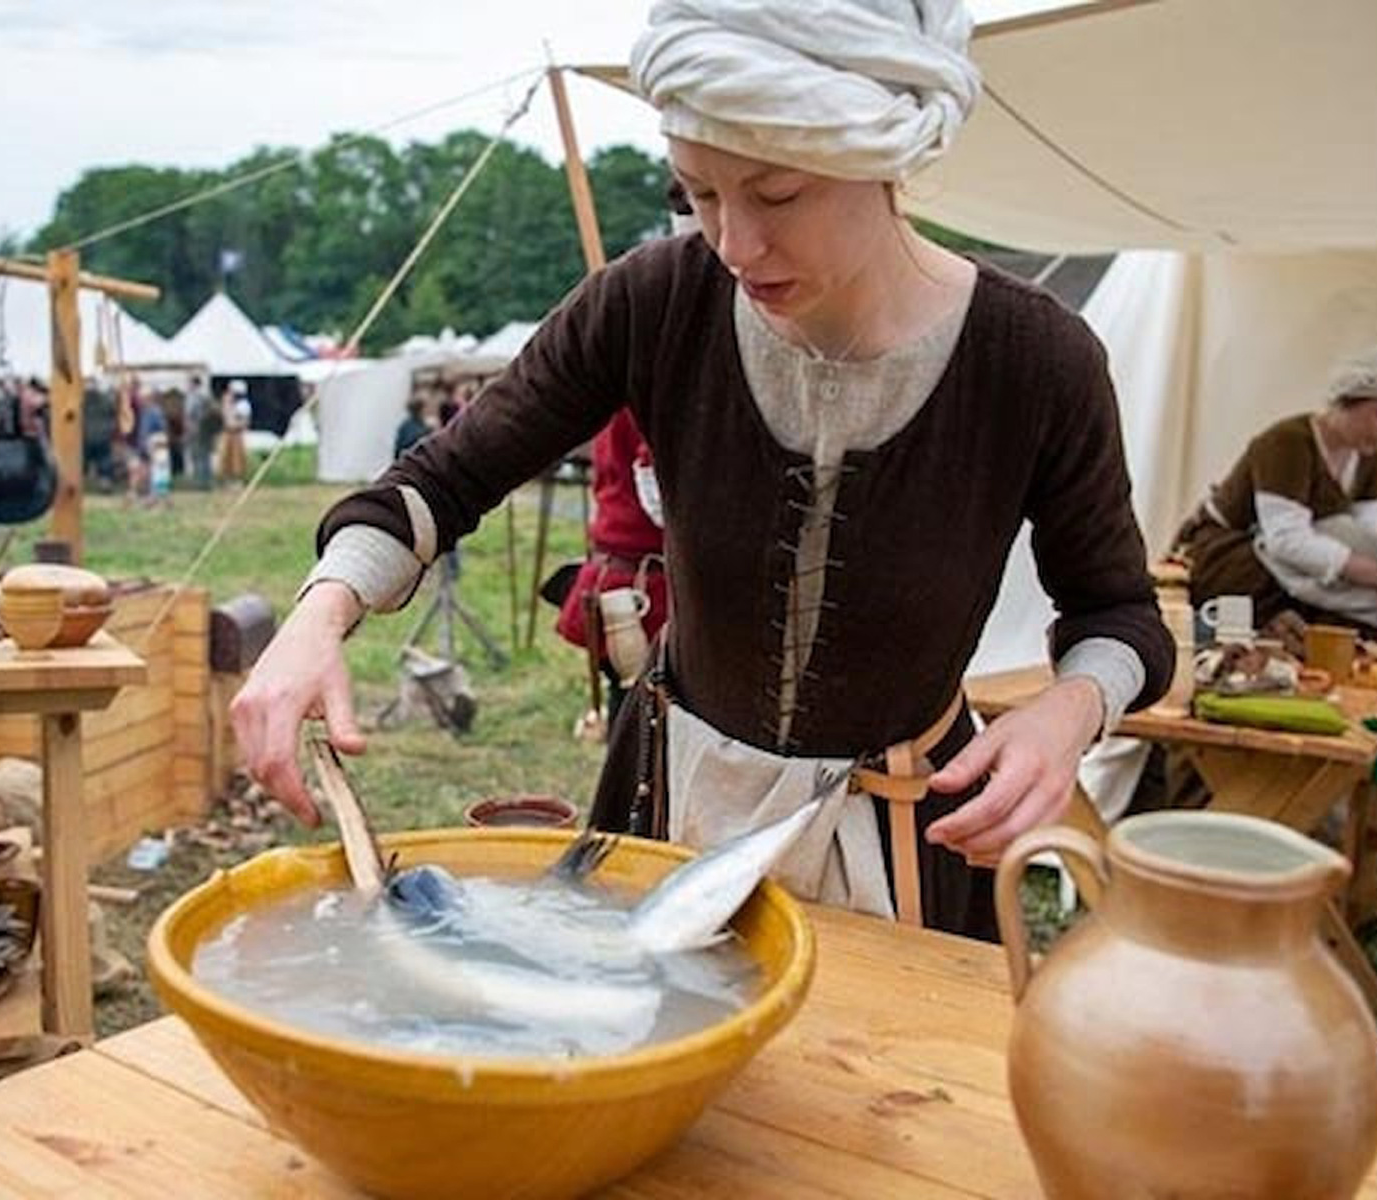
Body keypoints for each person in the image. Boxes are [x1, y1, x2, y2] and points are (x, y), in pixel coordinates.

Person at [230, 0, 1172, 940]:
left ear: (883, 156)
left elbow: (1118, 613)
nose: (735, 244)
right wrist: (318, 615)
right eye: (699, 194)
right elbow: (438, 486)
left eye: (777, 195)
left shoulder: (1035, 360)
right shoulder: (652, 303)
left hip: (904, 850)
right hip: (673, 819)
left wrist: (1070, 710)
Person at [1181, 355, 1377, 629]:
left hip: (1295, 564)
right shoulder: (1287, 443)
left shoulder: (1366, 453)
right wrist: (1369, 573)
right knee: (1329, 605)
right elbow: (1285, 539)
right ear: (1346, 401)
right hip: (1233, 559)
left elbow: (1369, 525)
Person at [554, 409, 670, 724]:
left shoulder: (619, 399)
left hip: (621, 579)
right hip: (641, 592)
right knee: (645, 723)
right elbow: (661, 499)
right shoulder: (648, 397)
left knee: (634, 711)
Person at [183, 374, 219, 490]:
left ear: (194, 384)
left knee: (202, 456)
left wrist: (200, 424)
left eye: (189, 383)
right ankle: (200, 481)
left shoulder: (202, 397)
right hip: (193, 431)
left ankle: (204, 482)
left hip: (201, 431)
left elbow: (208, 413)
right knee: (196, 456)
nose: (187, 385)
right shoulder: (192, 396)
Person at [218, 381, 250, 485]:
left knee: (236, 458)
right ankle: (227, 479)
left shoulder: (243, 405)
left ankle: (237, 479)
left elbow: (243, 421)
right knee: (226, 457)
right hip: (228, 432)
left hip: (236, 433)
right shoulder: (229, 404)